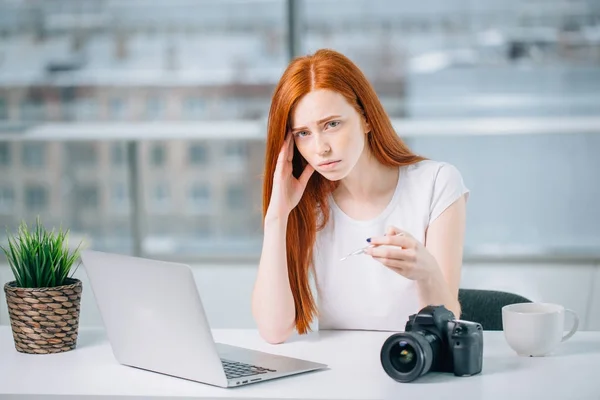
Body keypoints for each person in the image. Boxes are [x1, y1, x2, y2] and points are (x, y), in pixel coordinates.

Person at [252, 49, 469, 344]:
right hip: (338, 376)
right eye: (303, 133)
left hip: (413, 372)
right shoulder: (309, 205)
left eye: (331, 124)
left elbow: (448, 325)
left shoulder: (437, 183)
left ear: (366, 119)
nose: (321, 149)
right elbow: (274, 331)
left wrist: (426, 272)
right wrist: (276, 218)